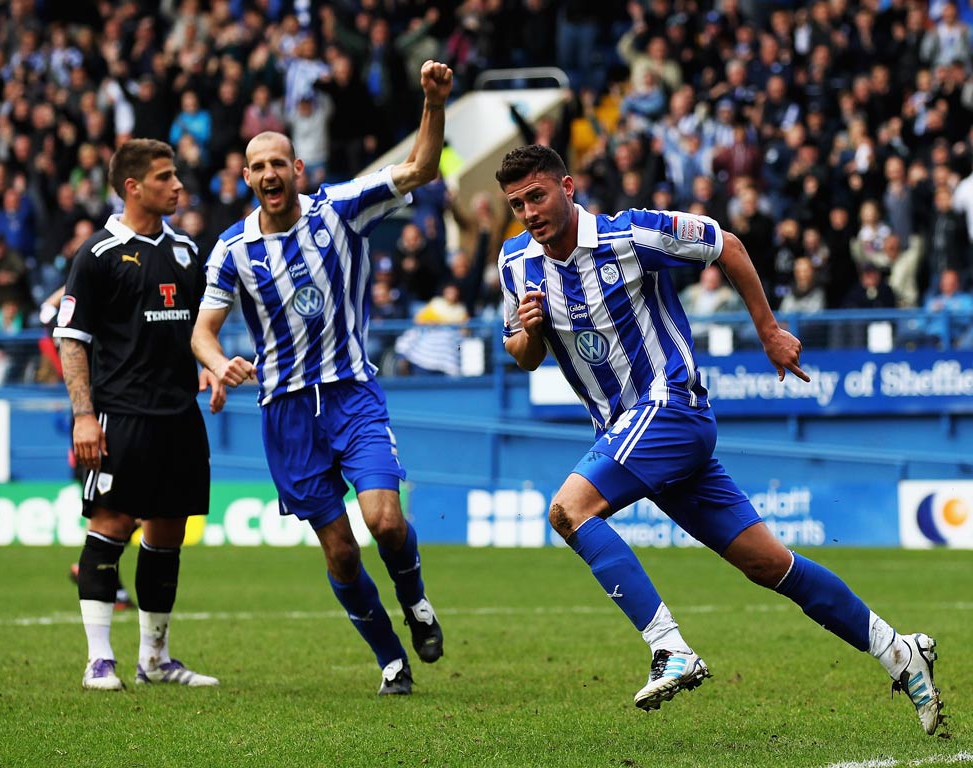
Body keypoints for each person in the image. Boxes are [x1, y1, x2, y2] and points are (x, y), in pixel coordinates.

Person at [493, 144, 942, 734]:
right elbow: (522, 357)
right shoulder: (514, 263)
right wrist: (527, 331)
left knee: (569, 510)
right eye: (517, 202)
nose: (528, 211)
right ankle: (899, 651)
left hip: (670, 408)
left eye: (538, 195)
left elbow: (725, 243)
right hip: (630, 431)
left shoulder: (628, 237)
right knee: (770, 564)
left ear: (568, 187)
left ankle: (669, 648)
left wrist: (770, 331)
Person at [190, 60, 453, 696]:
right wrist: (216, 361)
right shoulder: (231, 249)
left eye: (278, 163)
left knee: (386, 521)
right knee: (339, 548)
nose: (268, 174)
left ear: (297, 170)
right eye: (256, 167)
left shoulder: (339, 207)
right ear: (246, 178)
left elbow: (419, 167)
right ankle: (391, 660)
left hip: (350, 392)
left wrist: (433, 102)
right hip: (285, 411)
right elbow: (202, 329)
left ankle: (416, 602)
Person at [54, 138, 225, 691]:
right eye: (165, 177)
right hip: (121, 416)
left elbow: (199, 331)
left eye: (176, 176)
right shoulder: (97, 254)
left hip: (179, 415)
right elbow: (72, 340)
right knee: (111, 525)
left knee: (167, 535)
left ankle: (155, 658)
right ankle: (98, 659)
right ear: (132, 187)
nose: (178, 186)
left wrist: (209, 367)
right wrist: (84, 416)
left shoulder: (185, 250)